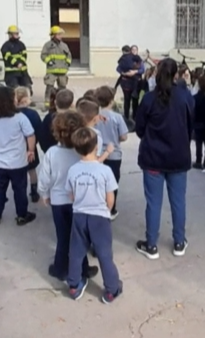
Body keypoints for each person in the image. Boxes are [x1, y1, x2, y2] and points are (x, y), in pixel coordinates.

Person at [134, 58, 194, 260]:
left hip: (153, 158)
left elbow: (139, 128)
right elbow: (190, 124)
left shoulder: (150, 99)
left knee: (153, 203)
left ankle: (151, 245)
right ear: (177, 74)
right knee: (178, 202)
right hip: (178, 157)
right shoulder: (184, 96)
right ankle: (179, 241)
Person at [39, 111, 98, 282]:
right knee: (80, 236)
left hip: (58, 201)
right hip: (79, 201)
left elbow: (45, 176)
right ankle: (84, 268)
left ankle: (60, 268)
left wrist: (44, 193)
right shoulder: (83, 152)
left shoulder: (51, 152)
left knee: (63, 236)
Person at [65, 127, 122, 303]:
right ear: (97, 146)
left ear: (76, 149)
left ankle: (74, 285)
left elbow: (71, 195)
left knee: (76, 251)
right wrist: (106, 209)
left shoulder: (73, 170)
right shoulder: (105, 171)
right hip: (99, 217)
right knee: (104, 253)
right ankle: (112, 289)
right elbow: (110, 198)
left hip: (80, 215)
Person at [0, 86, 37, 226]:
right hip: (18, 162)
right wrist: (31, 150)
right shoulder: (20, 118)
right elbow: (30, 135)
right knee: (20, 190)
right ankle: (22, 215)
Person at [95, 86, 129, 220]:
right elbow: (124, 136)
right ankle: (111, 208)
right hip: (114, 154)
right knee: (113, 182)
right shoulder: (117, 117)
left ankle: (99, 204)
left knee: (99, 181)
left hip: (97, 153)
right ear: (112, 101)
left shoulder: (95, 116)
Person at [13, 87, 42, 203]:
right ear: (25, 99)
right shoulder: (33, 114)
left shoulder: (12, 114)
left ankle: (21, 191)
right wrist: (35, 143)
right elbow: (39, 129)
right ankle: (34, 191)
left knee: (20, 172)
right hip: (31, 146)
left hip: (16, 147)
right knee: (32, 170)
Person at [41, 26, 72, 108]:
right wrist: (49, 61)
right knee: (49, 88)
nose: (61, 36)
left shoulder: (64, 45)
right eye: (59, 34)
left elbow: (69, 56)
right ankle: (47, 105)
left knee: (63, 88)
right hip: (52, 71)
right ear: (53, 35)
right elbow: (43, 55)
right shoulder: (47, 45)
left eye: (61, 34)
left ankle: (63, 104)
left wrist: (67, 64)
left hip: (62, 71)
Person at [39, 89, 73, 154]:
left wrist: (47, 151)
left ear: (55, 102)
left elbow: (42, 137)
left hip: (52, 153)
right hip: (71, 153)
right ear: (71, 104)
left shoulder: (49, 118)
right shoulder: (74, 119)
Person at [116, 45, 144, 120]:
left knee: (135, 101)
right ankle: (126, 116)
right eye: (133, 50)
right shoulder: (126, 58)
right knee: (126, 100)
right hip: (126, 84)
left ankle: (134, 116)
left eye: (136, 50)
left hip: (136, 83)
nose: (134, 51)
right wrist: (124, 73)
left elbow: (142, 70)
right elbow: (118, 68)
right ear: (131, 51)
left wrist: (135, 72)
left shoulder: (139, 60)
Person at [1, 25, 32, 90]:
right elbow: (8, 57)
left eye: (17, 33)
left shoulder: (21, 44)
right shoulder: (6, 46)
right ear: (10, 34)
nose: (17, 35)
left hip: (23, 72)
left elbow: (24, 55)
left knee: (27, 89)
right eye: (15, 33)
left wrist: (21, 63)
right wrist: (17, 63)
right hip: (12, 73)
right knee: (13, 90)